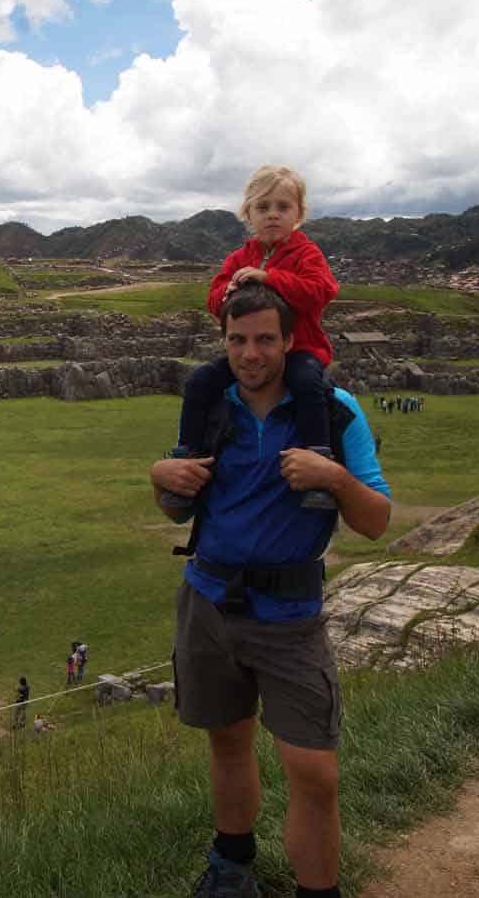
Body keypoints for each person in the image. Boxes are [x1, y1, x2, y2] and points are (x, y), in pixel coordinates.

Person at [149, 284, 391, 898]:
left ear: (289, 340)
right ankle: (232, 866)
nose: (250, 353)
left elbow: (376, 521)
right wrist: (161, 479)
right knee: (227, 742)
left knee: (314, 771)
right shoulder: (210, 408)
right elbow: (179, 512)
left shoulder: (335, 413)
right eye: (237, 339)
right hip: (208, 601)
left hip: (289, 615)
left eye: (264, 339)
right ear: (223, 340)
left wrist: (333, 476)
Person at [174, 165, 340, 517]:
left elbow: (322, 291)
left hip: (302, 349)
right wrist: (228, 292)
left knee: (307, 383)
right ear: (248, 214)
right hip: (252, 352)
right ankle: (186, 458)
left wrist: (270, 278)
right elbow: (213, 299)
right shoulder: (238, 258)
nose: (273, 215)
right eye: (263, 208)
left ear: (299, 214)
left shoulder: (307, 255)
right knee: (201, 381)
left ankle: (319, 461)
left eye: (283, 207)